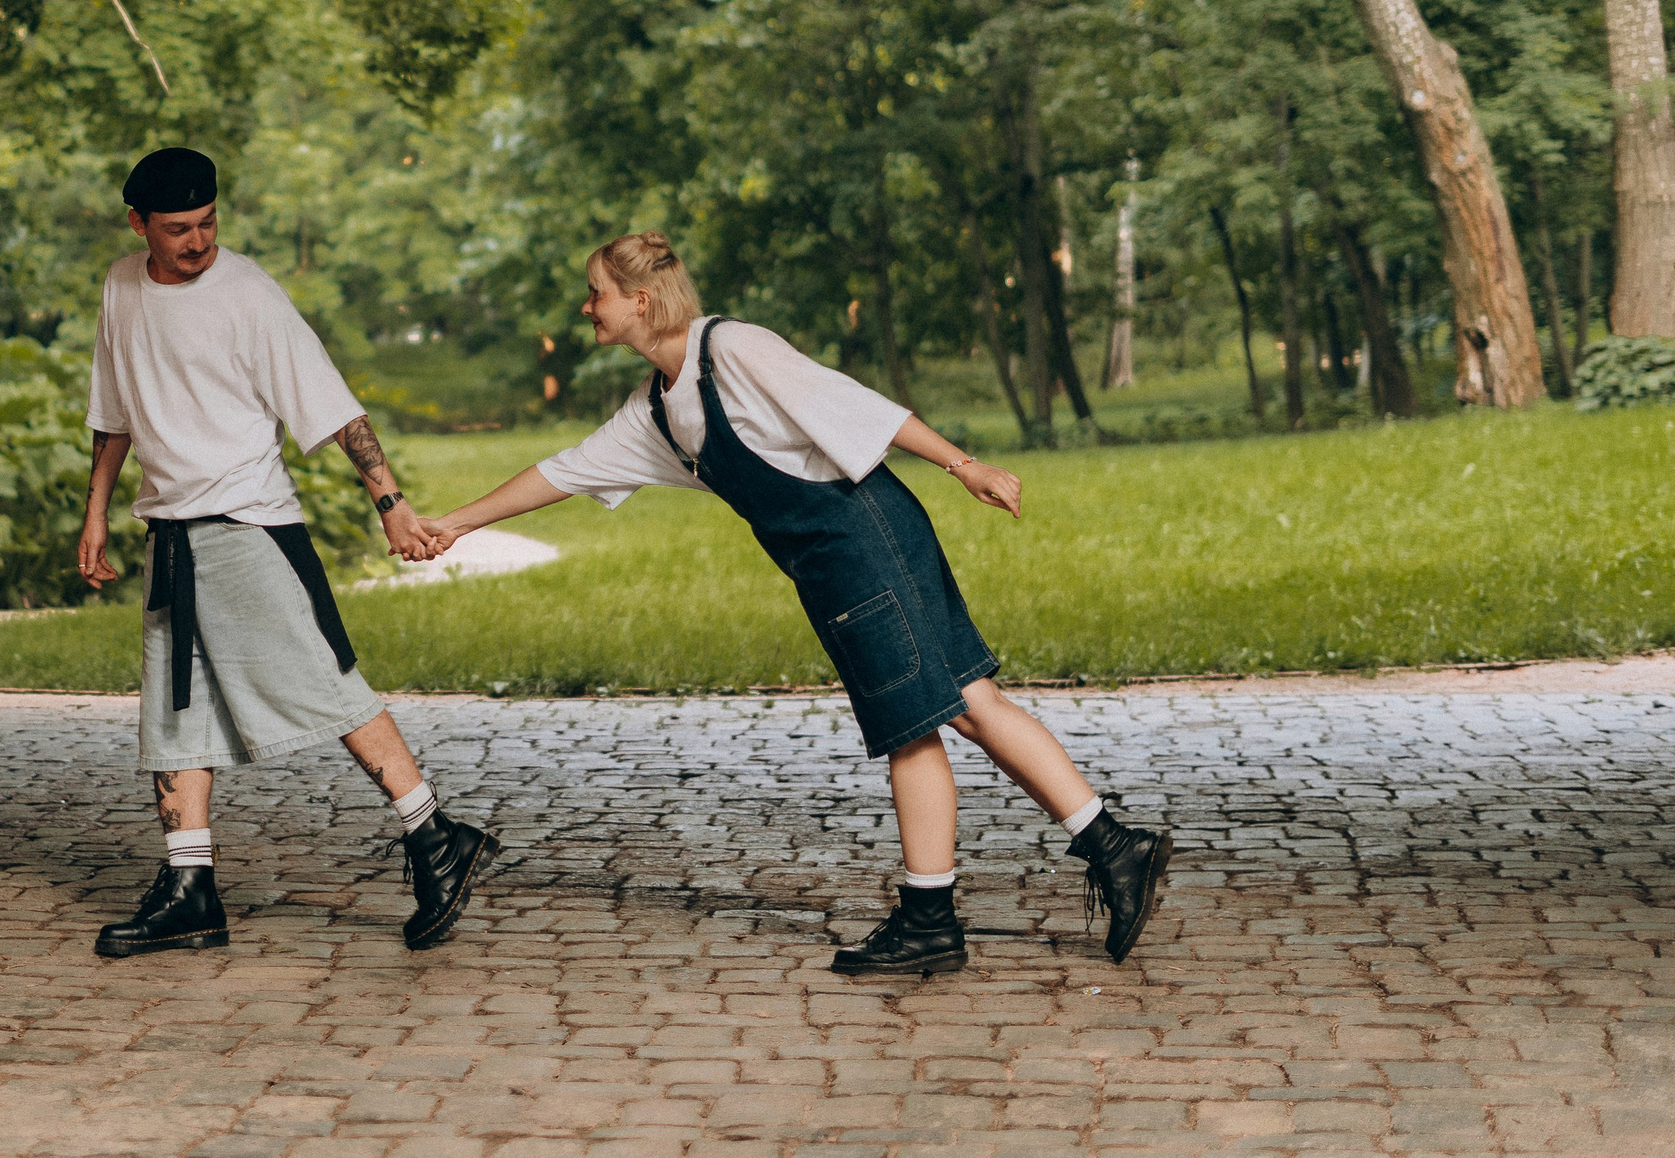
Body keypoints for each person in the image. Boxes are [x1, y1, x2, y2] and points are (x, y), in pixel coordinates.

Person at [421, 232, 1171, 975]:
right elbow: (562, 472)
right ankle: (1113, 846)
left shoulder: (735, 350)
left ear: (638, 301)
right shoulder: (657, 407)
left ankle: (932, 918)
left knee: (914, 724)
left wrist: (962, 465)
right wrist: (455, 522)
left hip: (865, 540)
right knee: (972, 700)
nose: (587, 307)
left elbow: (855, 406)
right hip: (836, 560)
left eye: (596, 292)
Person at [76, 147, 497, 958]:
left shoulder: (248, 295)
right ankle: (192, 888)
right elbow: (113, 408)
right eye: (177, 229)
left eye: (207, 224)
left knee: (324, 684)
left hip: (245, 528)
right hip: (173, 534)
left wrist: (391, 500)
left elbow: (333, 405)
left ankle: (433, 832)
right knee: (177, 716)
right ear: (138, 225)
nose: (197, 242)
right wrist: (96, 512)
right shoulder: (121, 286)